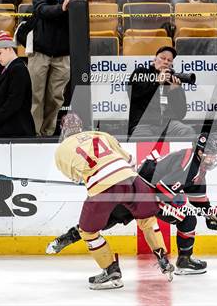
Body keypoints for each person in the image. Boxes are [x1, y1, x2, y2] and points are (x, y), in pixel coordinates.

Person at [48, 132, 217, 275]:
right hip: (147, 191)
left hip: (135, 188)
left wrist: (210, 213)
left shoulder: (196, 165)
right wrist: (190, 209)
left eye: (214, 155)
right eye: (209, 155)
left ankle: (70, 236)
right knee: (187, 219)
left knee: (105, 220)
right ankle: (184, 261)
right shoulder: (188, 164)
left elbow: (197, 195)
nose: (212, 159)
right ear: (199, 151)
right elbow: (163, 192)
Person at [54, 113, 174, 290]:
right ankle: (162, 258)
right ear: (81, 126)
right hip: (130, 177)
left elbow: (77, 178)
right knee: (147, 219)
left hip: (102, 187)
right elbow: (130, 161)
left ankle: (111, 271)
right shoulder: (100, 135)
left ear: (63, 130)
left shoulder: (61, 150)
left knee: (88, 232)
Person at [127, 46, 196, 138]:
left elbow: (181, 113)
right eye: (163, 58)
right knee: (143, 137)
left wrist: (175, 91)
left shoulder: (171, 80)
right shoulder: (141, 73)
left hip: (168, 124)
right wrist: (157, 82)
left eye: (169, 60)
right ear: (154, 60)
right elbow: (133, 94)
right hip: (143, 124)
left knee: (186, 131)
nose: (166, 61)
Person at [29, 0, 73, 136]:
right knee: (35, 95)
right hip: (40, 51)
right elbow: (41, 9)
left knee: (55, 97)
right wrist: (61, 8)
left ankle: (47, 132)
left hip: (63, 53)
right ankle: (34, 133)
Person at [0, 31, 35, 137]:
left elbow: (14, 101)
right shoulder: (10, 69)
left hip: (16, 130)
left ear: (9, 49)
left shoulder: (18, 69)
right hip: (9, 128)